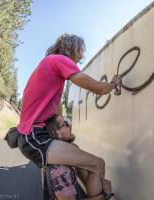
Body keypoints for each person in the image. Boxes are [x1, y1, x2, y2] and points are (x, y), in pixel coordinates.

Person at [17, 33, 121, 199]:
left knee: (91, 163)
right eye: (80, 51)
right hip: (35, 136)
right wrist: (114, 83)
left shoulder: (50, 70)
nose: (81, 57)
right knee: (97, 163)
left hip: (36, 136)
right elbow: (99, 89)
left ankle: (101, 192)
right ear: (72, 47)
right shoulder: (59, 60)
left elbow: (57, 113)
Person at [44, 115, 113, 200]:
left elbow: (87, 177)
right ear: (57, 133)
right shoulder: (59, 170)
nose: (70, 125)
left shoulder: (69, 155)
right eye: (65, 123)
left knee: (98, 164)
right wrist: (105, 195)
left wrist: (101, 181)